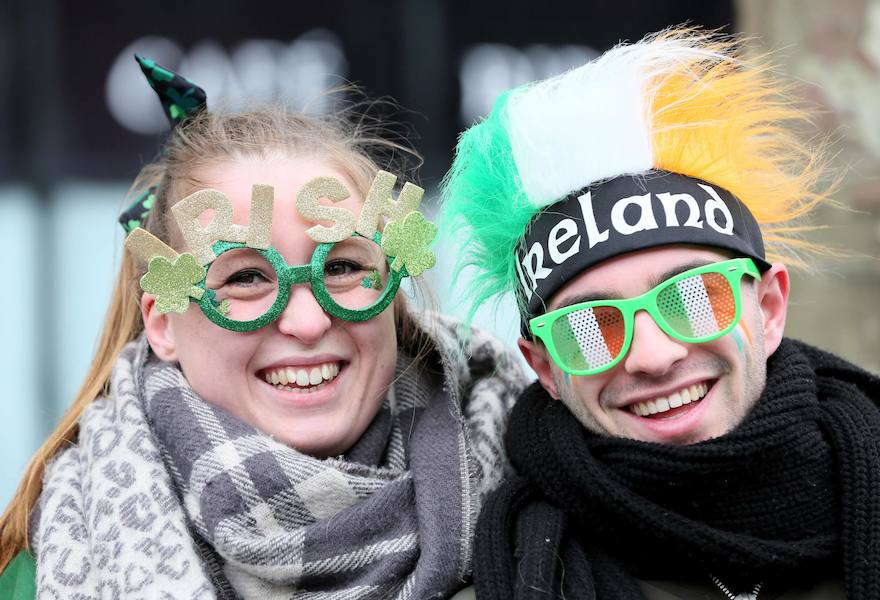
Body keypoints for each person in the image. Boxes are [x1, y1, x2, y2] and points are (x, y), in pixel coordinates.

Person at [0, 56, 525, 599]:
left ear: (394, 288)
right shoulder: (46, 568)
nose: (307, 321)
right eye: (247, 277)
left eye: (342, 267)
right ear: (162, 323)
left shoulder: (541, 507)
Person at [441, 28, 880, 599]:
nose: (655, 356)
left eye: (695, 296)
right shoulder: (513, 581)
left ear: (770, 306)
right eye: (591, 326)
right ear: (545, 369)